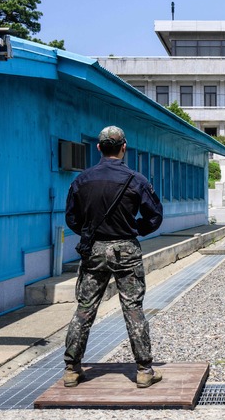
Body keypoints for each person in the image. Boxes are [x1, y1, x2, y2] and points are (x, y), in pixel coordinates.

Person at [63, 126, 164, 388]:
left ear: (98, 147)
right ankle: (144, 370)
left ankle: (72, 370)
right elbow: (154, 216)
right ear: (124, 147)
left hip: (94, 250)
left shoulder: (82, 180)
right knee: (133, 308)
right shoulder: (136, 180)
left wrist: (89, 233)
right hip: (126, 250)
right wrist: (134, 230)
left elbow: (72, 218)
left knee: (85, 309)